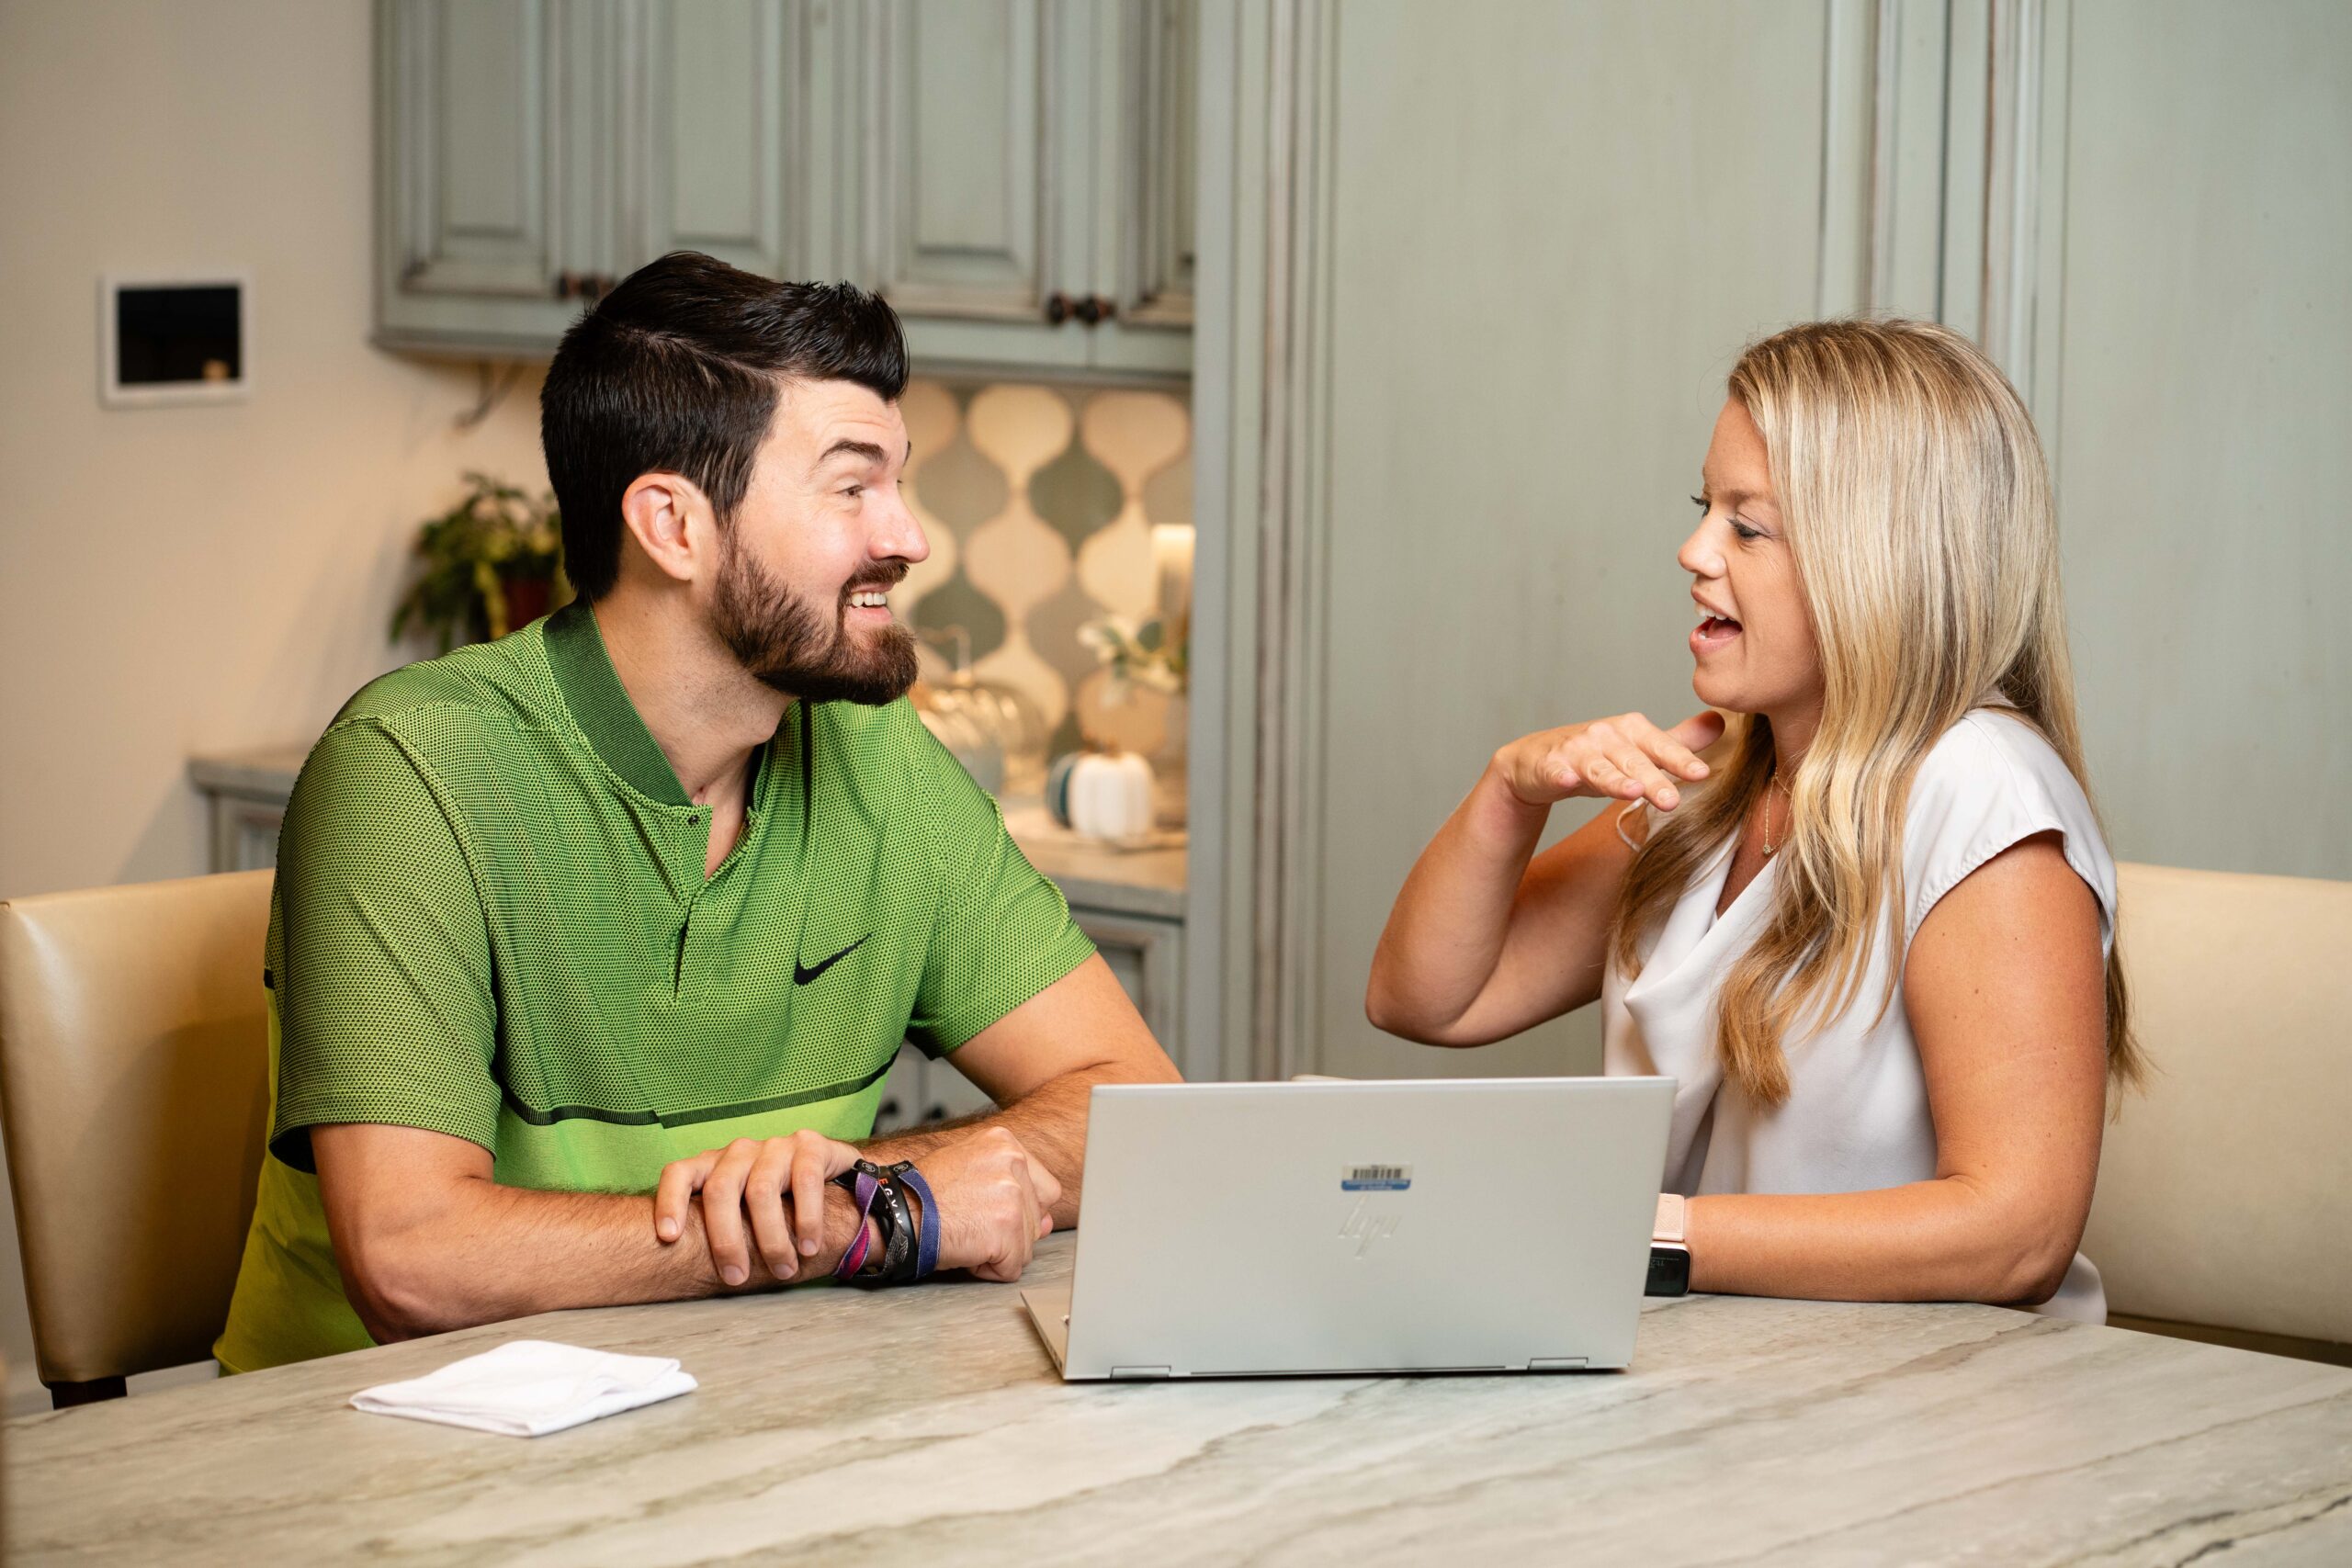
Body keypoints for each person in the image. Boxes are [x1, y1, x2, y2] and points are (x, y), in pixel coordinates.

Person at [216, 251, 1181, 1372]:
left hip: (726, 1412)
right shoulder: (410, 770)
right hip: (371, 1459)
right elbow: (412, 1258)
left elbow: (1136, 1111)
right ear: (672, 526)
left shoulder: (878, 759)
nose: (907, 538)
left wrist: (882, 1198)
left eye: (900, 483)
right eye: (852, 485)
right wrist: (865, 1218)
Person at [1366, 319, 2141, 1322]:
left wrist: (1629, 1231)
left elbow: (2017, 1234)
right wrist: (1508, 794)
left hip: (1922, 1411)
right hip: (1722, 1372)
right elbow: (1428, 1002)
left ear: (1881, 560)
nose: (1692, 551)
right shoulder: (1724, 777)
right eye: (1704, 509)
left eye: (1747, 526)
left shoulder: (1980, 791)